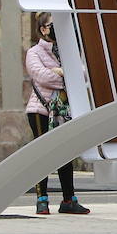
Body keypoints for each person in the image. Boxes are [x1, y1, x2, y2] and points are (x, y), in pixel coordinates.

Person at [25, 13, 89, 216]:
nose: (55, 29)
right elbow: (42, 77)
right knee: (42, 153)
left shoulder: (66, 50)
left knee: (65, 154)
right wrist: (62, 73)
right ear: (43, 29)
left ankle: (69, 200)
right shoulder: (34, 52)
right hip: (40, 109)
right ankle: (41, 199)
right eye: (51, 25)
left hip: (64, 111)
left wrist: (61, 71)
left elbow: (83, 74)